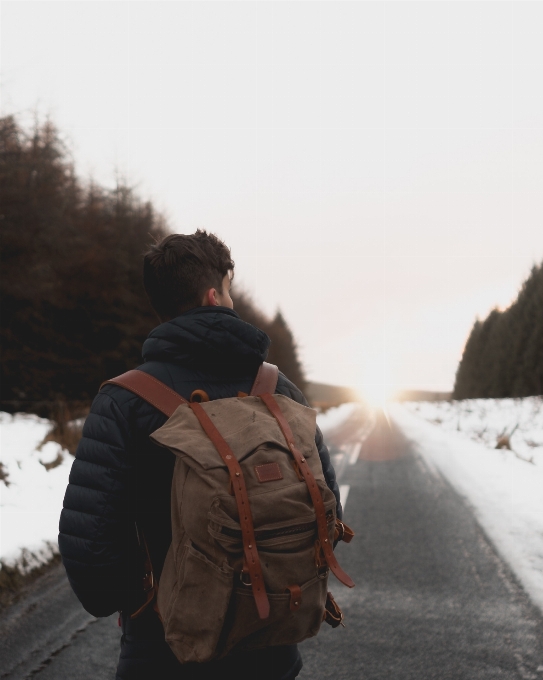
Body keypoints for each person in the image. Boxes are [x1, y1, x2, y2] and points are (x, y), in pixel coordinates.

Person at [59, 230, 342, 680]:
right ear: (215, 294)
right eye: (230, 289)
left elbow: (90, 547)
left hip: (164, 650)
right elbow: (327, 508)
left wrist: (133, 600)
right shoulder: (277, 390)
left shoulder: (122, 402)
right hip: (271, 645)